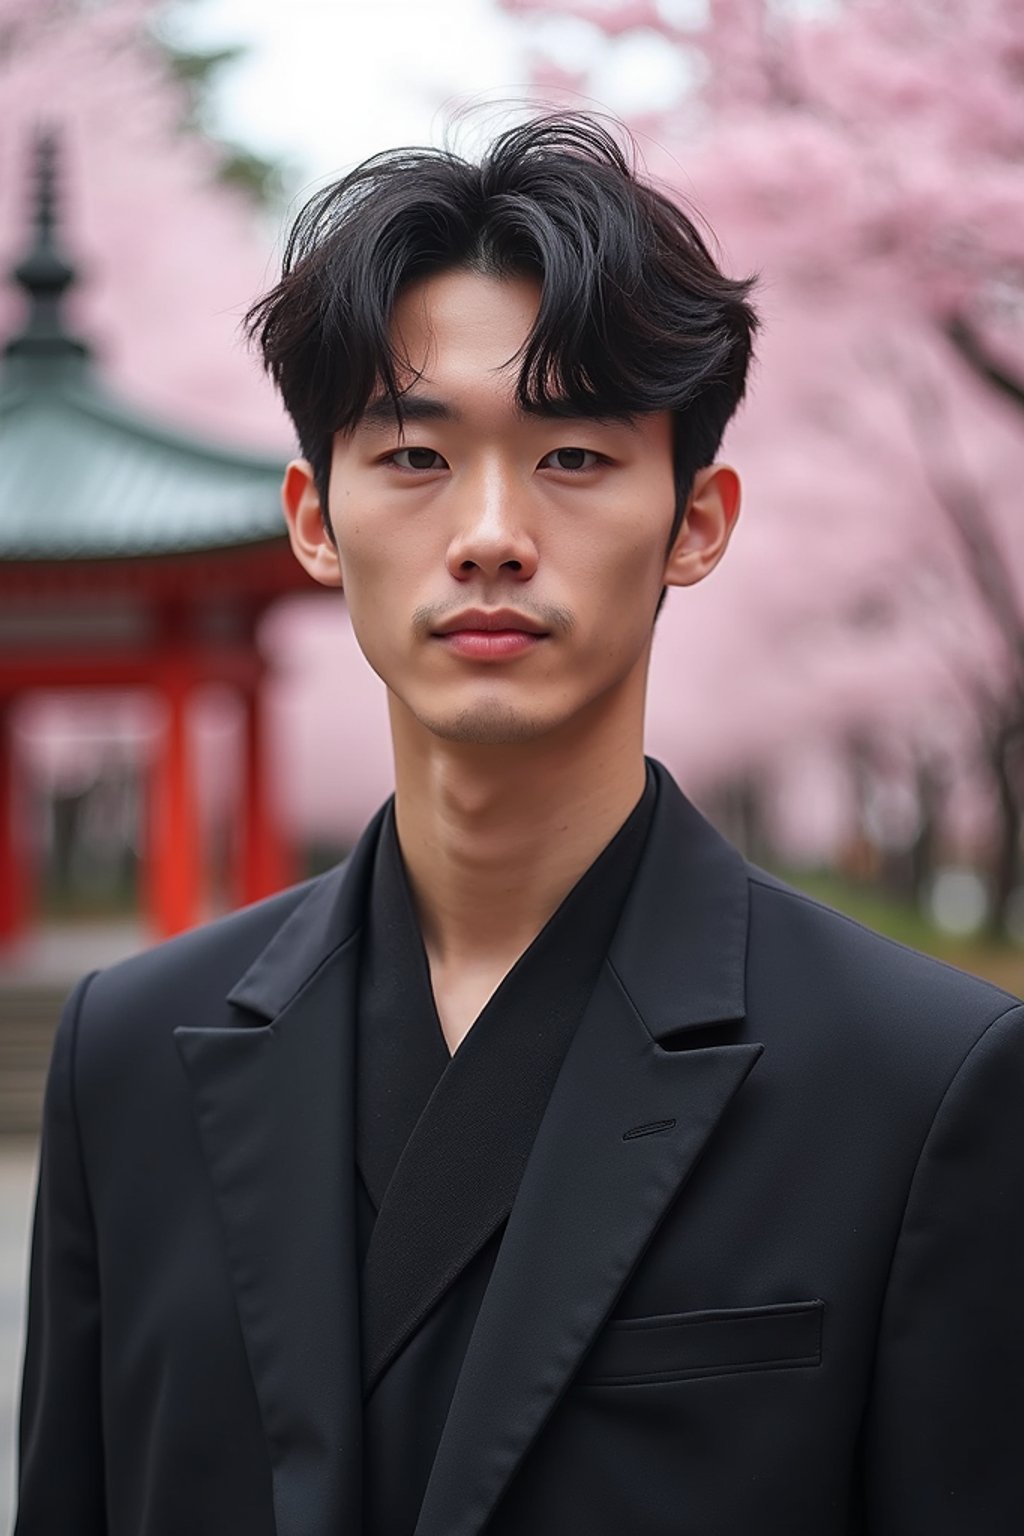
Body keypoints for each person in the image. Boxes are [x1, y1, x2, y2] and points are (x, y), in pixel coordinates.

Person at [14, 114, 1023, 1536]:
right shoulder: (127, 1056)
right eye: (415, 458)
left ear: (699, 519)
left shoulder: (920, 1084)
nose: (490, 531)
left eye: (575, 457)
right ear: (314, 519)